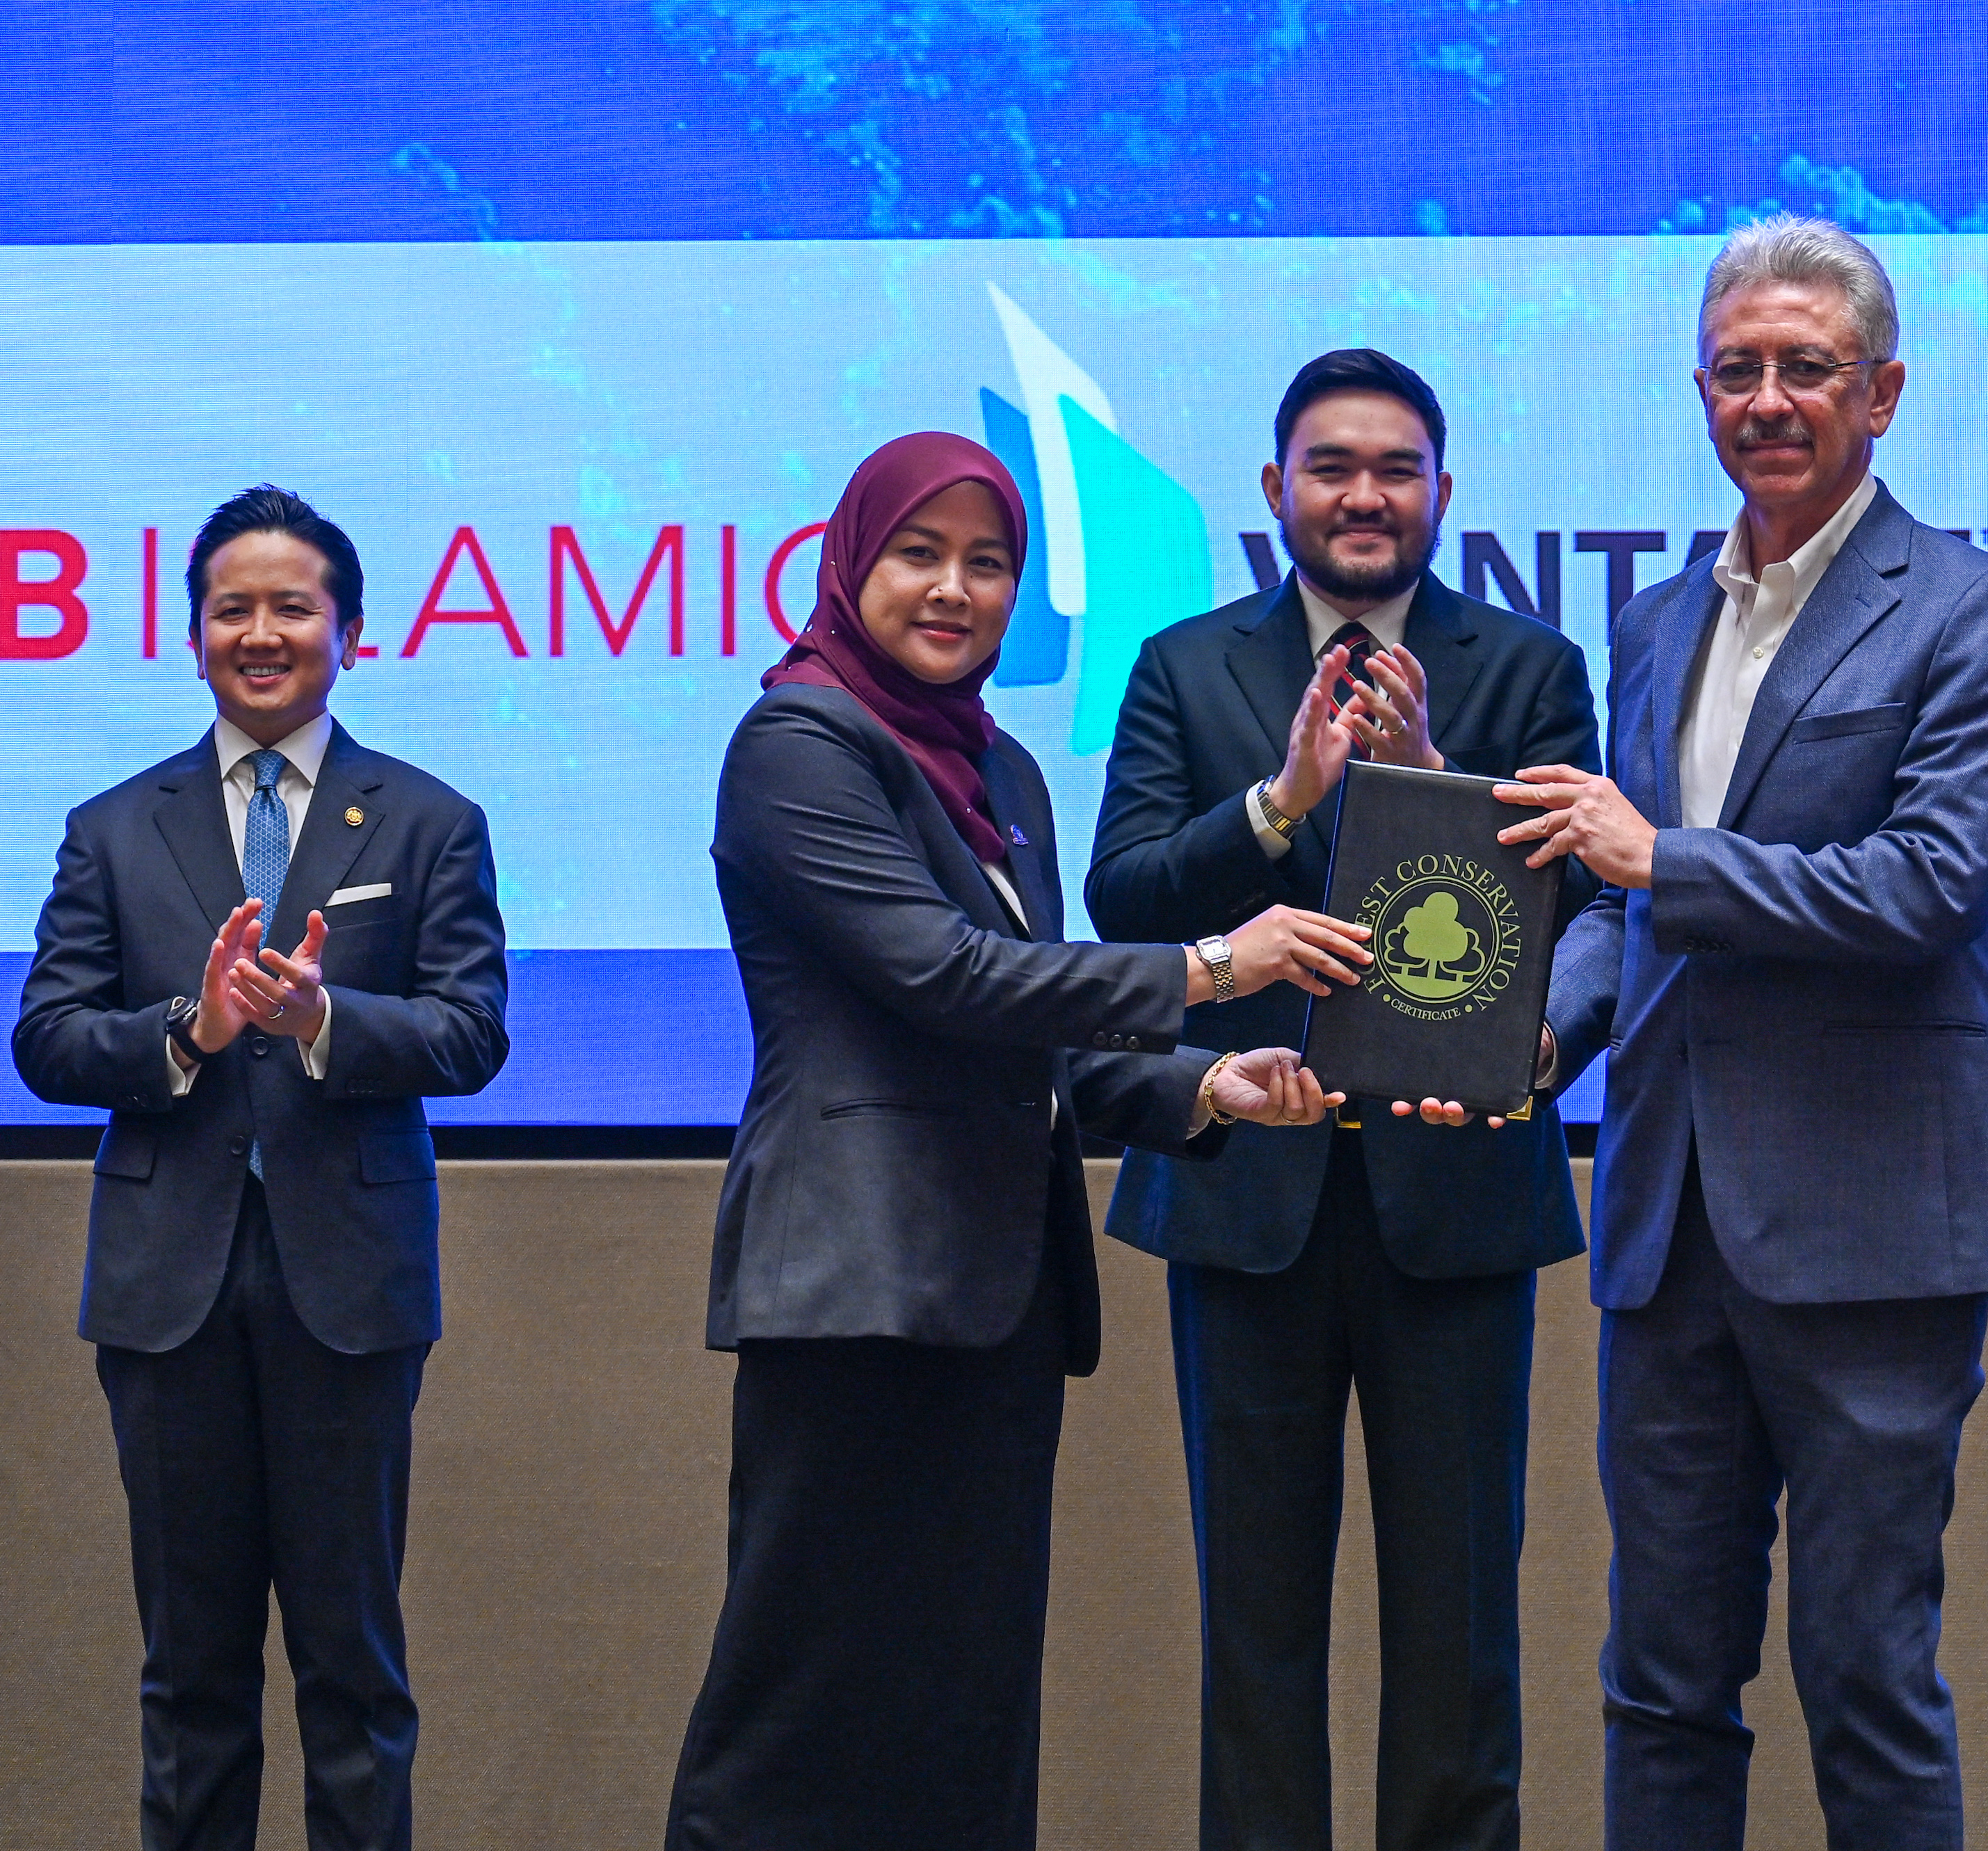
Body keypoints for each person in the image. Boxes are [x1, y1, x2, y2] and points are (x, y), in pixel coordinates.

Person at [663, 431, 1365, 1851]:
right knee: (805, 1702)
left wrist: (1204, 1088)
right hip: (857, 1286)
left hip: (996, 1297)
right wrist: (1212, 965)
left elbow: (1028, 1034)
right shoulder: (796, 743)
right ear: (849, 563)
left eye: (989, 564)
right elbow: (943, 974)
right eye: (918, 554)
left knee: (967, 1702)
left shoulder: (1003, 769)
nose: (955, 590)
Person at [1495, 215, 1988, 1850]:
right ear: (1699, 392)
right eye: (1735, 369)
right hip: (1668, 1227)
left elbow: (1928, 883)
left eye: (1806, 366)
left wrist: (1657, 857)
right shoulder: (1657, 623)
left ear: (1882, 392)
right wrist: (1534, 1041)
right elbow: (1617, 911)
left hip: (1874, 1231)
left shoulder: (1971, 605)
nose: (1767, 399)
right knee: (1659, 1683)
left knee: (1866, 1676)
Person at [1086, 348, 1600, 1851]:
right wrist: (1282, 803)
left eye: (1395, 469)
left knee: (1460, 1631)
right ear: (1275, 488)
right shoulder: (1184, 665)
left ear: (1442, 490)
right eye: (1332, 467)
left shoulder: (1529, 666)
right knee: (1254, 1634)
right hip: (1247, 1194)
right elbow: (1123, 899)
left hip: (1460, 1196)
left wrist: (1434, 779)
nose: (1364, 495)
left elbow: (1581, 910)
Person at [15, 486, 510, 1851]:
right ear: (191, 636)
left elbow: (473, 1033)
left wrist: (324, 1019)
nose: (262, 631)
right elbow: (46, 1038)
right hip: (164, 1292)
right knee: (191, 1680)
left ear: (353, 630)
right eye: (232, 607)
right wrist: (194, 1028)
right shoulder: (114, 825)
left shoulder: (429, 819)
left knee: (354, 1675)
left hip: (349, 1288)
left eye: (293, 605)